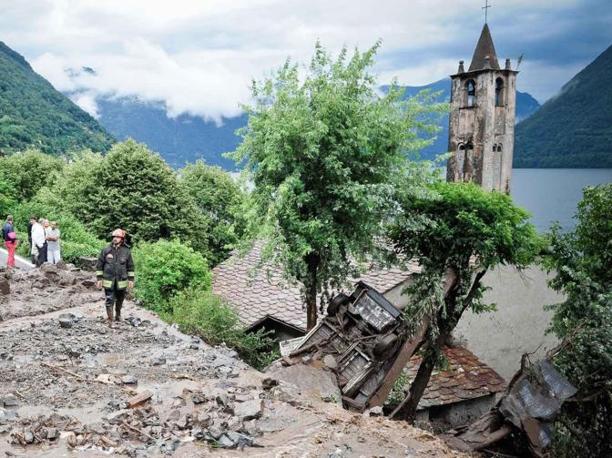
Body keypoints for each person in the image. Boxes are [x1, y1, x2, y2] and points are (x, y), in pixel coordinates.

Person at [96, 229, 135, 326]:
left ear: (122, 239)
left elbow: (130, 266)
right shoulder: (106, 250)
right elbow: (99, 265)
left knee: (120, 299)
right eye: (114, 237)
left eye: (117, 237)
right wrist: (99, 279)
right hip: (108, 280)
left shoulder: (126, 251)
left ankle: (118, 315)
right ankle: (110, 319)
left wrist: (131, 280)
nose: (115, 239)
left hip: (121, 281)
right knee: (109, 299)